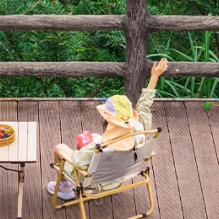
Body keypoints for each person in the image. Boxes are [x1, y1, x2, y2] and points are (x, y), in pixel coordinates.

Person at [49, 57, 169, 200]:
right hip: (122, 174)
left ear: (108, 119)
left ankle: (65, 189)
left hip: (96, 182)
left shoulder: (97, 147)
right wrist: (154, 76)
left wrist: (84, 147)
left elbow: (78, 163)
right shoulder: (141, 130)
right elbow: (144, 105)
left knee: (60, 148)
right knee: (95, 136)